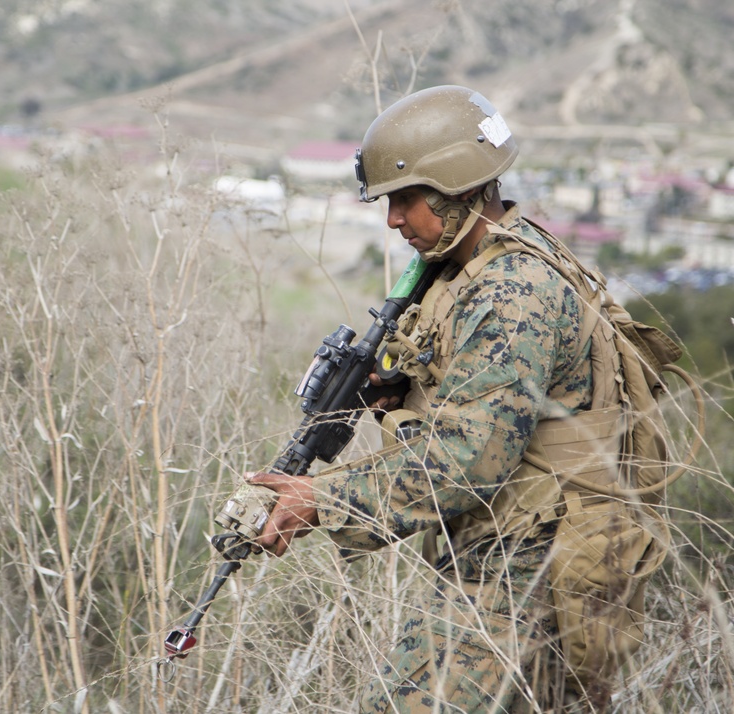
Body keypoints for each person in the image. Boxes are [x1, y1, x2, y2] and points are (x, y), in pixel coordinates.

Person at [247, 85, 663, 712]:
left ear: (460, 188)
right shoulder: (473, 267)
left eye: (405, 200)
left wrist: (322, 502)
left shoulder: (511, 292)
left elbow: (469, 463)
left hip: (526, 568)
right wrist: (401, 392)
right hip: (513, 549)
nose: (393, 220)